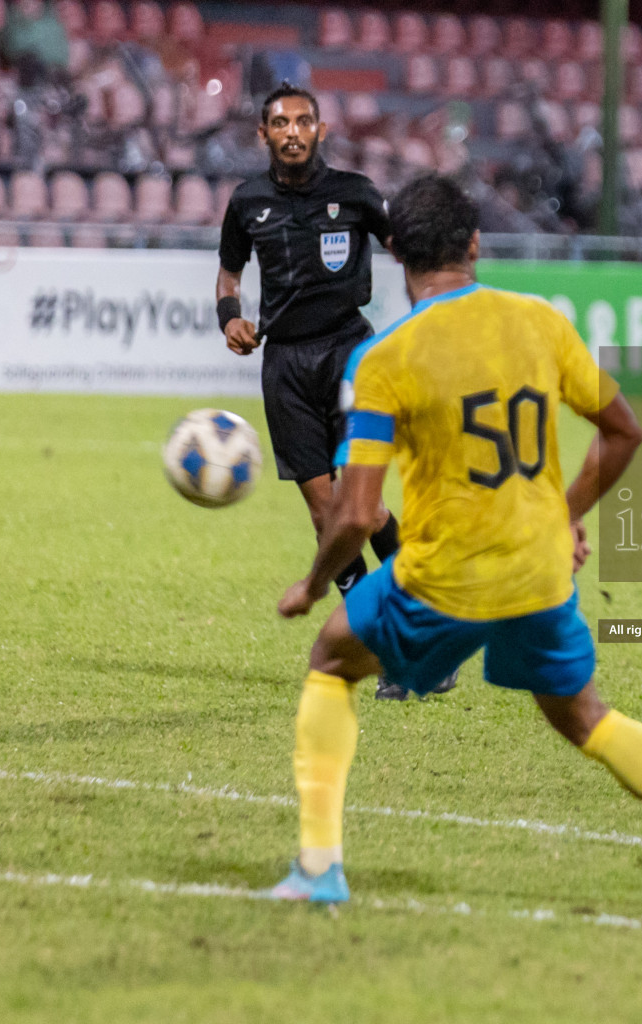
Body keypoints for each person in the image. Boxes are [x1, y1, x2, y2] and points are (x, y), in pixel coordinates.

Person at [267, 174, 642, 914]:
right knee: (586, 716)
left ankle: (320, 868)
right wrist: (561, 515)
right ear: (476, 244)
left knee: (329, 660)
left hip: (446, 578)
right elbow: (625, 432)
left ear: (391, 253)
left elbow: (355, 515)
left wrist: (314, 583)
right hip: (540, 573)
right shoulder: (540, 321)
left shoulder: (381, 360)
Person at [215, 82, 443, 700]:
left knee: (359, 511)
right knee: (326, 518)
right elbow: (230, 273)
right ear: (262, 134)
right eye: (281, 123)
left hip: (349, 355)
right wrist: (229, 316)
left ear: (320, 130)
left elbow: (409, 252)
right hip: (283, 364)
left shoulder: (356, 193)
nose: (293, 131)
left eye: (304, 121)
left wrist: (431, 312)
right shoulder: (247, 202)